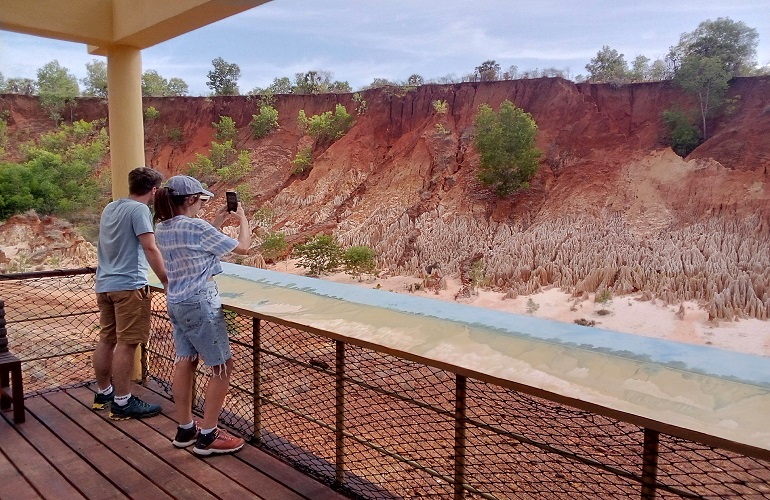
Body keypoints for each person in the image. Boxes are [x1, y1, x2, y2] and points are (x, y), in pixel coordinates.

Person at [153, 175, 251, 456]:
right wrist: (243, 220)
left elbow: (198, 246)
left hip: (177, 302)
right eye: (201, 200)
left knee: (185, 361)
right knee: (222, 366)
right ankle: (208, 435)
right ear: (192, 199)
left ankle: (185, 429)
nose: (201, 206)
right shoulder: (195, 227)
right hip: (200, 302)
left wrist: (217, 222)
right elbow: (243, 248)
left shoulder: (163, 228)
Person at [93, 166, 168, 420]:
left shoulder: (111, 207)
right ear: (154, 190)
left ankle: (104, 393)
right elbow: (150, 247)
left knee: (107, 339)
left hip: (105, 284)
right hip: (129, 286)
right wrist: (166, 280)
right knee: (127, 343)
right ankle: (123, 402)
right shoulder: (140, 210)